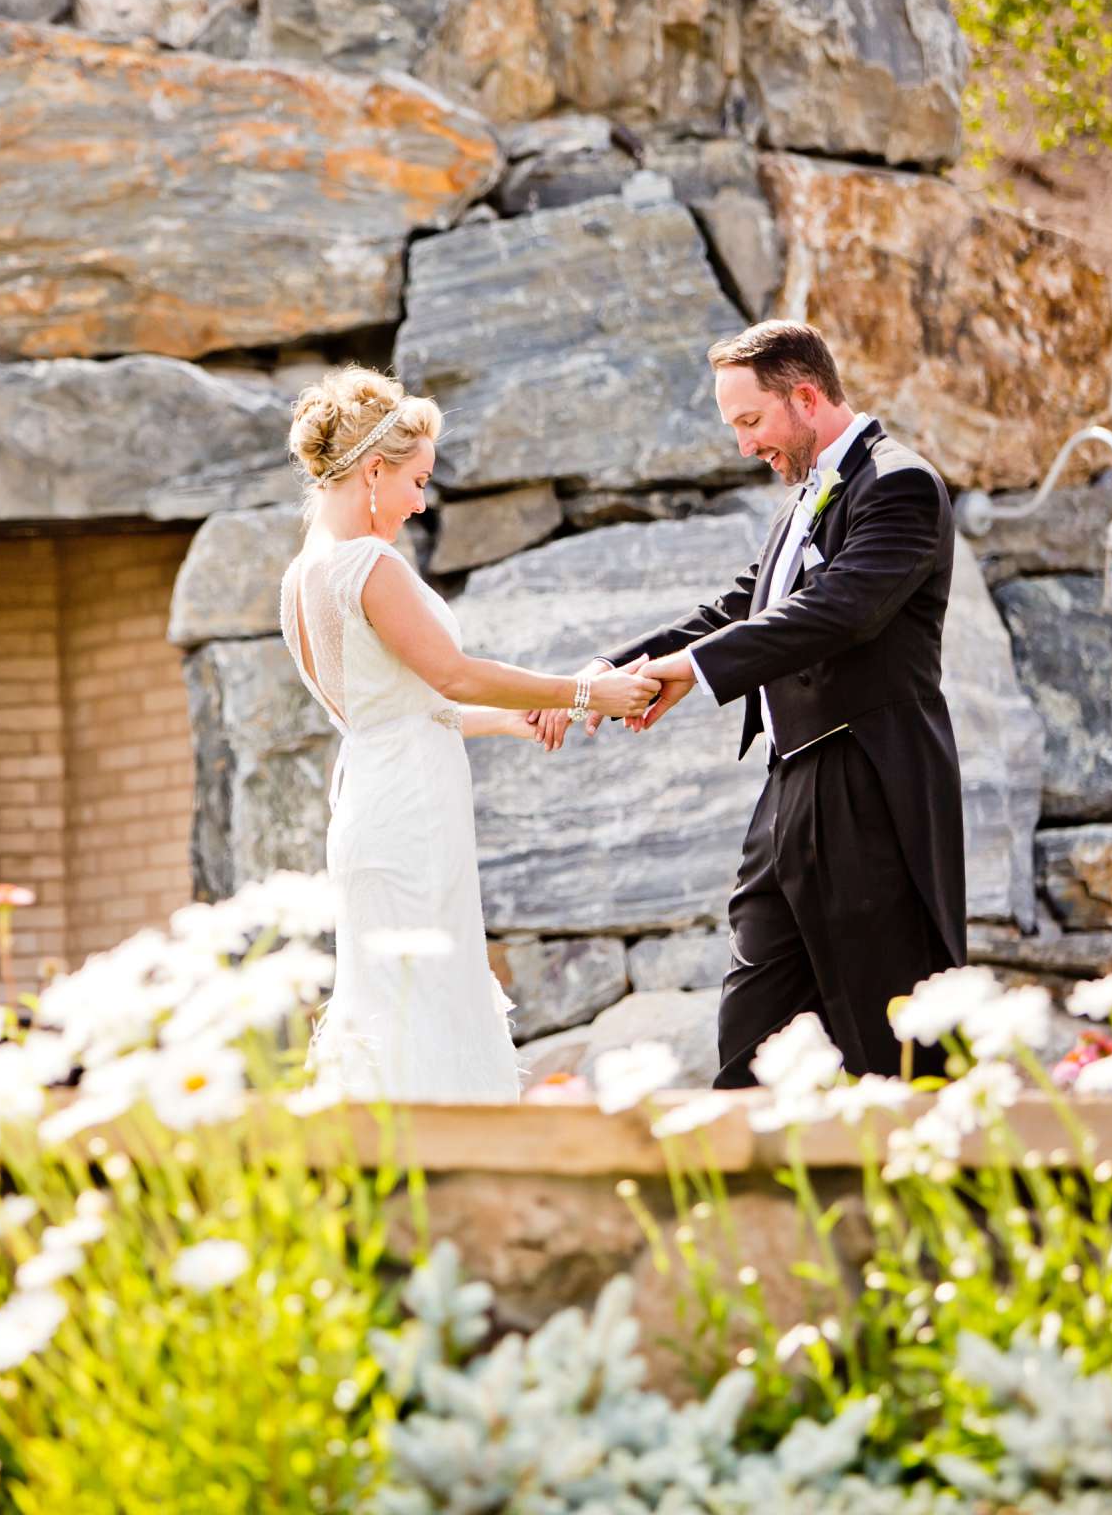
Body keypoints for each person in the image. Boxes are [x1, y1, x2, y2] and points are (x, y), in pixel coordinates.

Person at [532, 321, 966, 1087]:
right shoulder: (800, 497)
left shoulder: (901, 484)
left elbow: (838, 612)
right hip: (788, 792)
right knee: (750, 1039)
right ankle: (744, 1195)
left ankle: (924, 1195)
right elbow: (743, 606)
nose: (743, 445)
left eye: (750, 421)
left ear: (805, 397)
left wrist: (690, 671)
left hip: (868, 791)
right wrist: (611, 668)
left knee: (889, 1035)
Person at [279, 365, 658, 1103]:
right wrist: (588, 692)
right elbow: (452, 676)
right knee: (427, 998)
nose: (420, 503)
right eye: (417, 482)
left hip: (372, 802)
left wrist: (518, 719)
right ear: (374, 472)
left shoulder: (303, 575)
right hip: (411, 814)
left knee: (395, 998)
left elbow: (398, 708)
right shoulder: (367, 563)